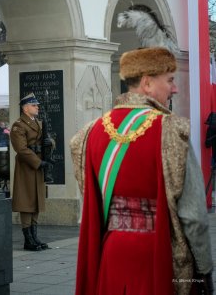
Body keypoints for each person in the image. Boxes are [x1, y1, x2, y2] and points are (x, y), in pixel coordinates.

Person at [70, 47, 214, 295]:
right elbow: (193, 215)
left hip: (111, 252)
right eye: (169, 80)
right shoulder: (172, 129)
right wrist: (204, 269)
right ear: (147, 83)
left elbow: (92, 201)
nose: (175, 88)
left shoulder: (88, 133)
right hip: (156, 254)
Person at [10, 92, 53, 251]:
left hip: (38, 166)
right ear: (25, 108)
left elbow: (46, 140)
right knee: (26, 202)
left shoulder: (38, 123)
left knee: (36, 201)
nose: (37, 107)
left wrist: (50, 143)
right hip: (27, 167)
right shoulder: (18, 125)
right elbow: (21, 149)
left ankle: (34, 237)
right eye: (34, 105)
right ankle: (28, 240)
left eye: (37, 105)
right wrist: (38, 162)